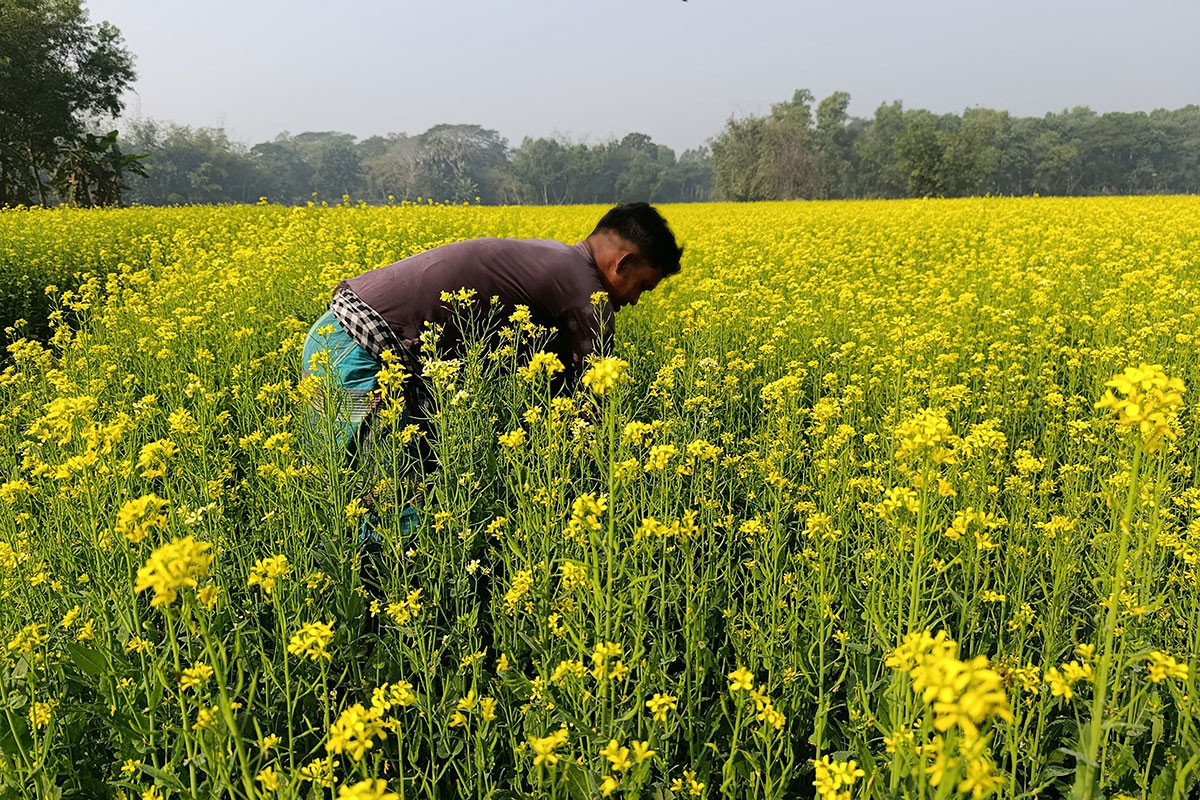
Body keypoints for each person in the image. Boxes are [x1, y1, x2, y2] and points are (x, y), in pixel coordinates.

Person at [299, 202, 683, 536]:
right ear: (624, 263)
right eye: (642, 287)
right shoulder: (586, 296)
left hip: (337, 340)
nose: (634, 300)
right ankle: (368, 602)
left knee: (361, 489)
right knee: (380, 496)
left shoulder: (556, 258)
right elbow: (591, 414)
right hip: (356, 355)